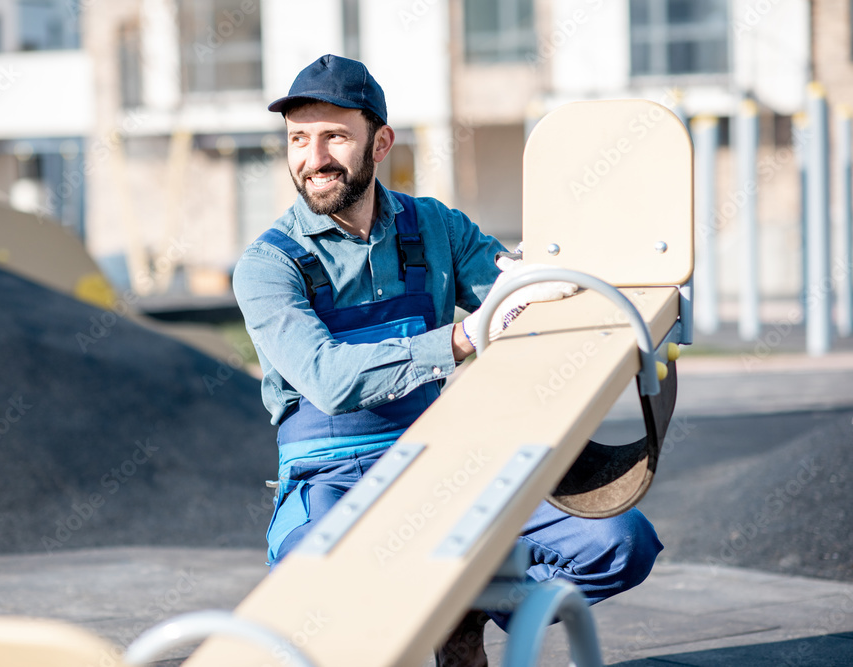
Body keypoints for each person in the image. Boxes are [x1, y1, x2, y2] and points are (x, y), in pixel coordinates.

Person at [232, 54, 662, 667]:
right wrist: (460, 340)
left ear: (380, 142)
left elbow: (515, 299)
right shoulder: (269, 265)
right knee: (318, 605)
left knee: (618, 543)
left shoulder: (434, 226)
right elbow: (328, 379)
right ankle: (435, 610)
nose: (313, 158)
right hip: (333, 477)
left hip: (444, 462)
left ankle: (466, 605)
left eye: (334, 136)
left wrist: (539, 284)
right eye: (298, 138)